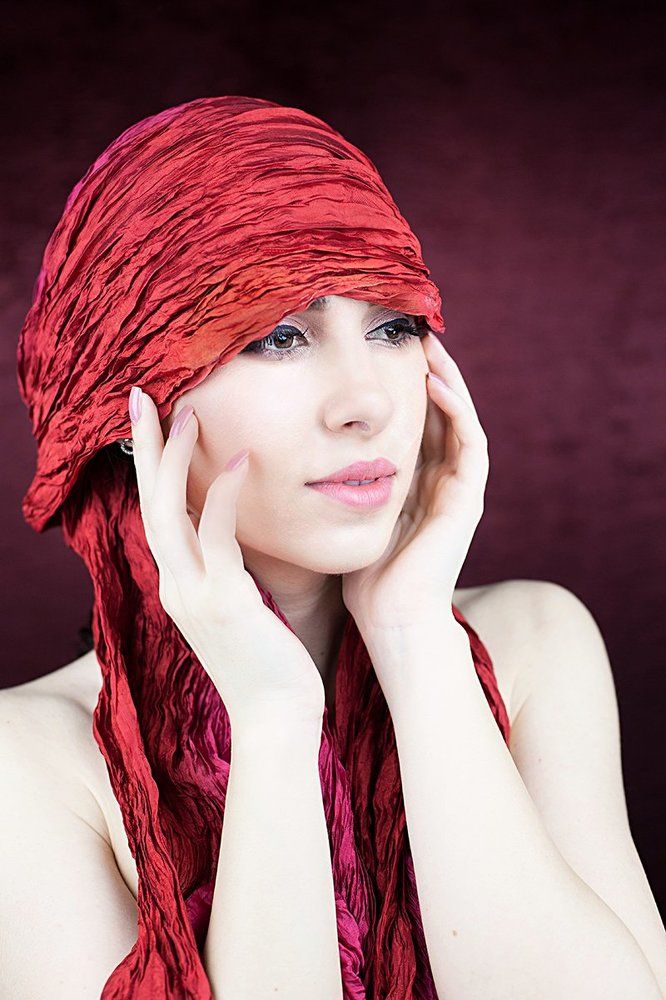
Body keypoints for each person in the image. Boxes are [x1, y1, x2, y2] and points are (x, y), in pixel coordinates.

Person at [3, 97, 665, 1000]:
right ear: (131, 411)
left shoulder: (536, 645)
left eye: (394, 327)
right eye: (278, 337)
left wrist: (411, 636)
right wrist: (276, 722)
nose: (366, 402)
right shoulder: (31, 762)